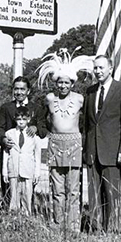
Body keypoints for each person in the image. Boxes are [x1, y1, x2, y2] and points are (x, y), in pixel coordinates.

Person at [37, 47, 94, 232]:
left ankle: (73, 225)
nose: (63, 86)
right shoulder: (49, 98)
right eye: (60, 82)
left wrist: (85, 144)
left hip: (74, 145)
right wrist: (40, 129)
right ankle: (57, 223)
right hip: (54, 144)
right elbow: (39, 118)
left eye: (66, 83)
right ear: (56, 83)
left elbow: (88, 121)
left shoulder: (79, 99)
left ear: (72, 83)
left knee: (73, 188)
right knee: (57, 188)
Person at [83, 55, 121, 233]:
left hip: (113, 152)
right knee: (94, 194)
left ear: (110, 69)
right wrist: (86, 150)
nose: (98, 71)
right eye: (95, 68)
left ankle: (112, 230)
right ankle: (96, 230)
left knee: (112, 193)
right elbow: (87, 125)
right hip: (92, 151)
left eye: (101, 68)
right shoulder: (90, 91)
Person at [0, 76, 40, 204]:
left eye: (22, 89)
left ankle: (27, 215)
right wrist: (3, 139)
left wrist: (35, 127)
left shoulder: (36, 108)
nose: (19, 92)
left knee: (28, 189)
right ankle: (8, 213)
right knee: (9, 187)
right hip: (10, 153)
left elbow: (43, 128)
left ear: (28, 91)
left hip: (27, 157)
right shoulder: (6, 107)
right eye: (16, 89)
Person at [2, 106, 41, 215]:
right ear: (15, 119)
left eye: (24, 119)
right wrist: (5, 171)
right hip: (13, 169)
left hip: (28, 170)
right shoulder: (9, 134)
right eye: (19, 119)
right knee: (14, 195)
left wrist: (37, 173)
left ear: (28, 119)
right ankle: (13, 217)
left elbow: (37, 155)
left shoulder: (34, 136)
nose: (21, 122)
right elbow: (5, 153)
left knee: (27, 195)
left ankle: (26, 217)